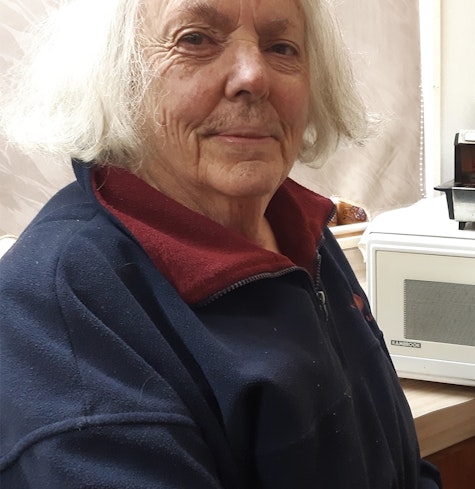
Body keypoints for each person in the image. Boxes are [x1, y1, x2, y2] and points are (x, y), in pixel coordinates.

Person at [0, 0, 441, 487]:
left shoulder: (299, 225)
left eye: (281, 46)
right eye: (196, 39)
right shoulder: (57, 309)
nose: (254, 76)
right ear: (113, 76)